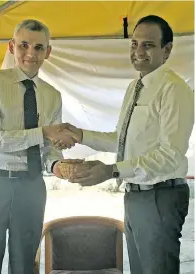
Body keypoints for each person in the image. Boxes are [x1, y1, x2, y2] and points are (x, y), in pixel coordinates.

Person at [52, 15, 194, 274]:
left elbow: (170, 156)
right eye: (134, 44)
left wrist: (110, 170)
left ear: (167, 50)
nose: (138, 52)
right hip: (136, 195)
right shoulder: (135, 86)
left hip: (160, 196)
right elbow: (122, 139)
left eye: (148, 45)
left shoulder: (173, 89)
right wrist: (80, 134)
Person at [0, 19, 79, 274]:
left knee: (25, 265)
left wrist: (58, 164)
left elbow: (49, 149)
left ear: (48, 52)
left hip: (31, 186)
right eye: (24, 45)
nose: (31, 53)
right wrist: (43, 132)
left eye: (39, 47)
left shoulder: (52, 95)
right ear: (11, 46)